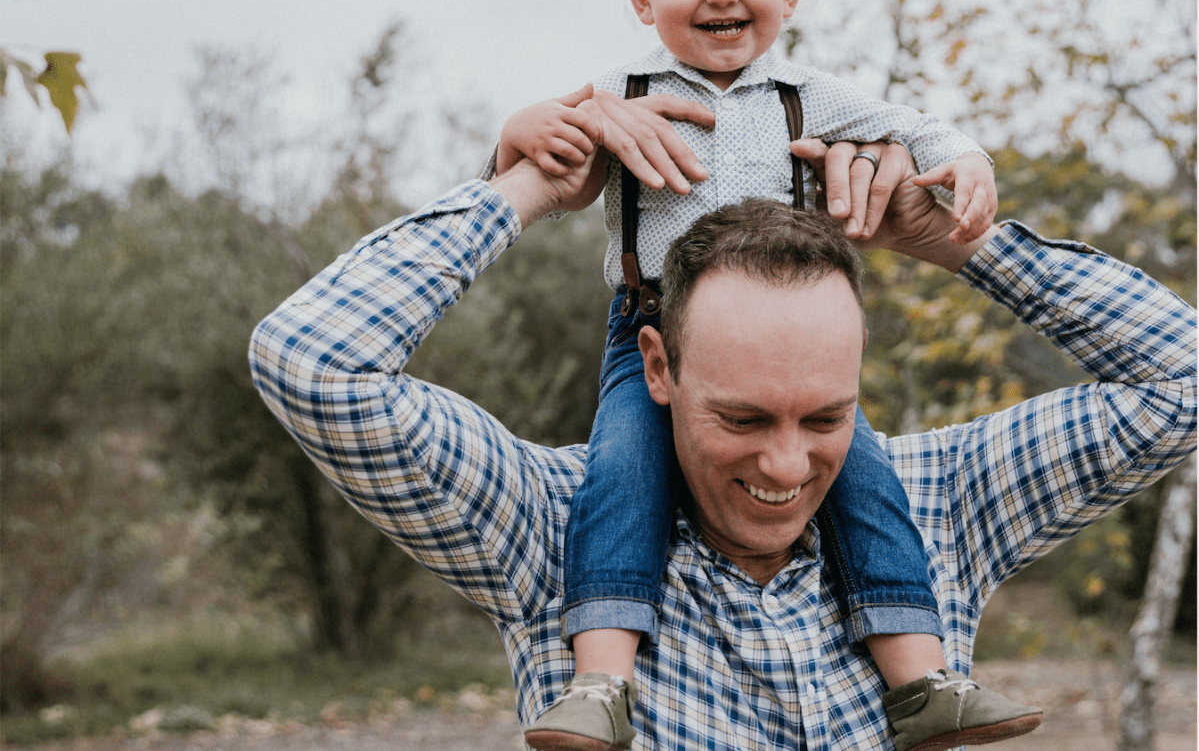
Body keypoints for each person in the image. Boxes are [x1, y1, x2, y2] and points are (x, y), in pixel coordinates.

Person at [249, 109, 1196, 751]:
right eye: (741, 418)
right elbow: (312, 362)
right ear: (657, 367)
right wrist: (522, 192)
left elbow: (1181, 381)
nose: (787, 465)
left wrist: (965, 243)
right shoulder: (545, 525)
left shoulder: (940, 501)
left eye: (825, 417)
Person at [490, 0, 1015, 748]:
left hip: (786, 341)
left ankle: (920, 679)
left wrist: (967, 161)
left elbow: (920, 127)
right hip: (654, 325)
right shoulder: (619, 93)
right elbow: (533, 165)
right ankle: (599, 685)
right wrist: (514, 130)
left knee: (864, 479)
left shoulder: (807, 98)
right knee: (621, 475)